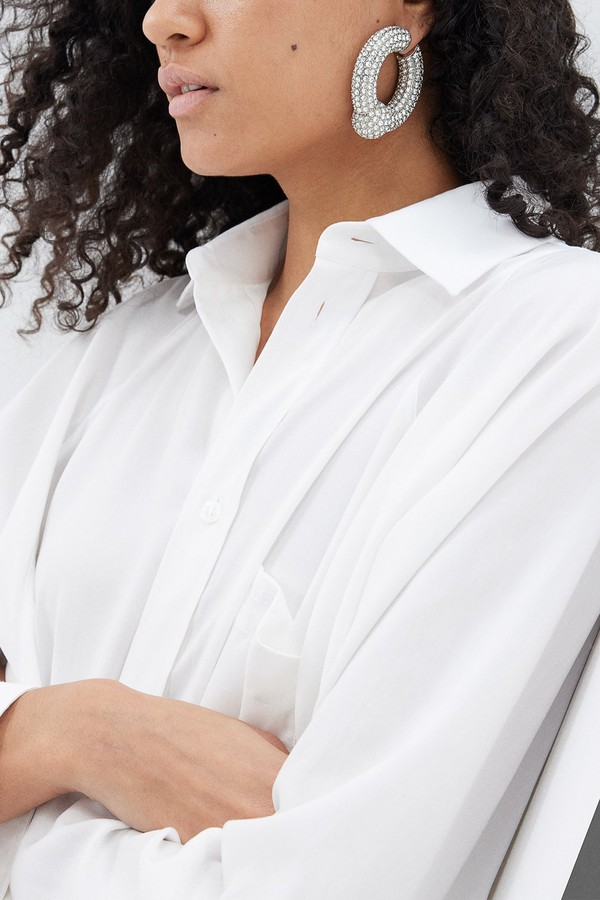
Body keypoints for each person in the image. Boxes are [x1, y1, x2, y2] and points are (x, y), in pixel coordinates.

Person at [0, 0, 600, 896]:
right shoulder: (118, 357)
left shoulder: (559, 354)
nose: (164, 19)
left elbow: (342, 878)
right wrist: (78, 734)